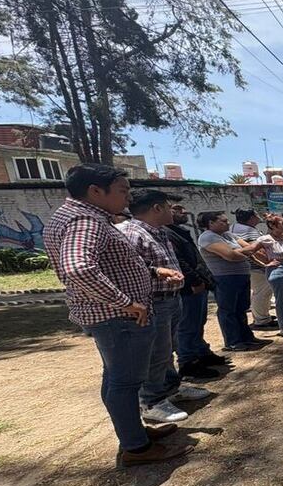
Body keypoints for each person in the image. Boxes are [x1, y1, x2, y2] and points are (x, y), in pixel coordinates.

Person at [43, 164, 191, 466]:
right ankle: (136, 447)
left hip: (113, 318)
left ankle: (134, 433)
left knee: (117, 380)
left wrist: (151, 271)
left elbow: (110, 264)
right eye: (123, 190)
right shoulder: (85, 220)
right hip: (119, 320)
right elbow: (79, 268)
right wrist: (125, 303)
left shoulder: (85, 217)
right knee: (124, 383)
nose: (128, 197)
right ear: (96, 191)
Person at [118, 190, 211, 424]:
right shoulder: (131, 233)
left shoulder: (158, 232)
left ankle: (170, 388)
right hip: (153, 302)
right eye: (169, 207)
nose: (174, 211)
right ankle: (151, 401)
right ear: (157, 208)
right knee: (156, 353)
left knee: (168, 348)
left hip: (170, 298)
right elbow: (129, 273)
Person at [165, 203, 229, 378]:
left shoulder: (177, 231)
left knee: (197, 323)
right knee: (187, 326)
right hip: (188, 287)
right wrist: (194, 280)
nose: (183, 211)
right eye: (176, 209)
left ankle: (202, 353)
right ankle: (188, 363)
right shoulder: (166, 233)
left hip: (199, 283)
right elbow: (179, 262)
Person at [197, 211, 268, 352]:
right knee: (228, 310)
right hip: (224, 278)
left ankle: (246, 337)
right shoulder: (208, 237)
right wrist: (253, 247)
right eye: (223, 221)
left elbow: (245, 248)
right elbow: (231, 255)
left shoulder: (228, 235)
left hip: (240, 275)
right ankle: (233, 341)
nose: (228, 223)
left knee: (241, 308)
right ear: (211, 223)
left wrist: (252, 251)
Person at [253, 214, 283, 337]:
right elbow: (250, 251)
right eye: (282, 223)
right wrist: (265, 264)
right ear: (272, 225)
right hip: (278, 269)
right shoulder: (266, 239)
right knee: (282, 299)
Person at [231, 209, 275, 329]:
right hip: (257, 266)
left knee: (260, 292)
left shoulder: (236, 228)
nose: (258, 217)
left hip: (252, 266)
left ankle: (262, 315)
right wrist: (267, 261)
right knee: (263, 292)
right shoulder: (247, 230)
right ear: (251, 218)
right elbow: (255, 250)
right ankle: (262, 320)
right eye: (256, 215)